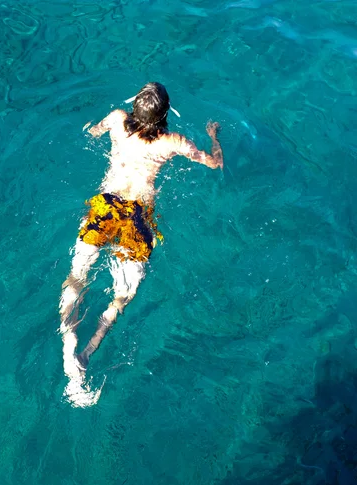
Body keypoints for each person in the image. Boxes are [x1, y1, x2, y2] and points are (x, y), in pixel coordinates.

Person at [58, 82, 223, 406]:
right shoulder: (171, 141)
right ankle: (88, 352)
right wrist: (215, 137)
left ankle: (68, 343)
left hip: (106, 205)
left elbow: (92, 133)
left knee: (77, 276)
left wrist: (94, 129)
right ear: (164, 115)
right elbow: (213, 163)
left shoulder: (118, 119)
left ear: (134, 106)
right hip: (138, 216)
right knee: (124, 293)